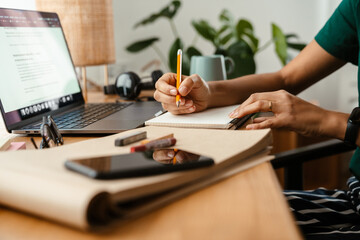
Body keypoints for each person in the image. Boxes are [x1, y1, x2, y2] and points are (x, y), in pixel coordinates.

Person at [153, 0, 360, 239]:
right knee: (198, 215)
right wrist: (207, 93)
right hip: (353, 198)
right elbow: (287, 77)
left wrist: (331, 122)